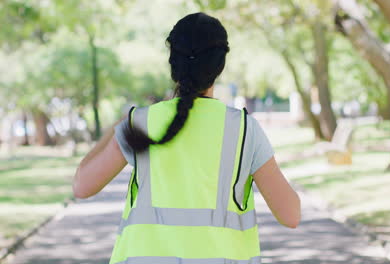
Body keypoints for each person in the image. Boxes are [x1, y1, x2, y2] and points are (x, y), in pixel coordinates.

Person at [73, 12, 301, 264]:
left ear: (173, 63)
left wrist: (117, 127)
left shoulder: (141, 122)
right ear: (219, 66)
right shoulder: (245, 129)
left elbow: (82, 186)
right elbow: (291, 215)